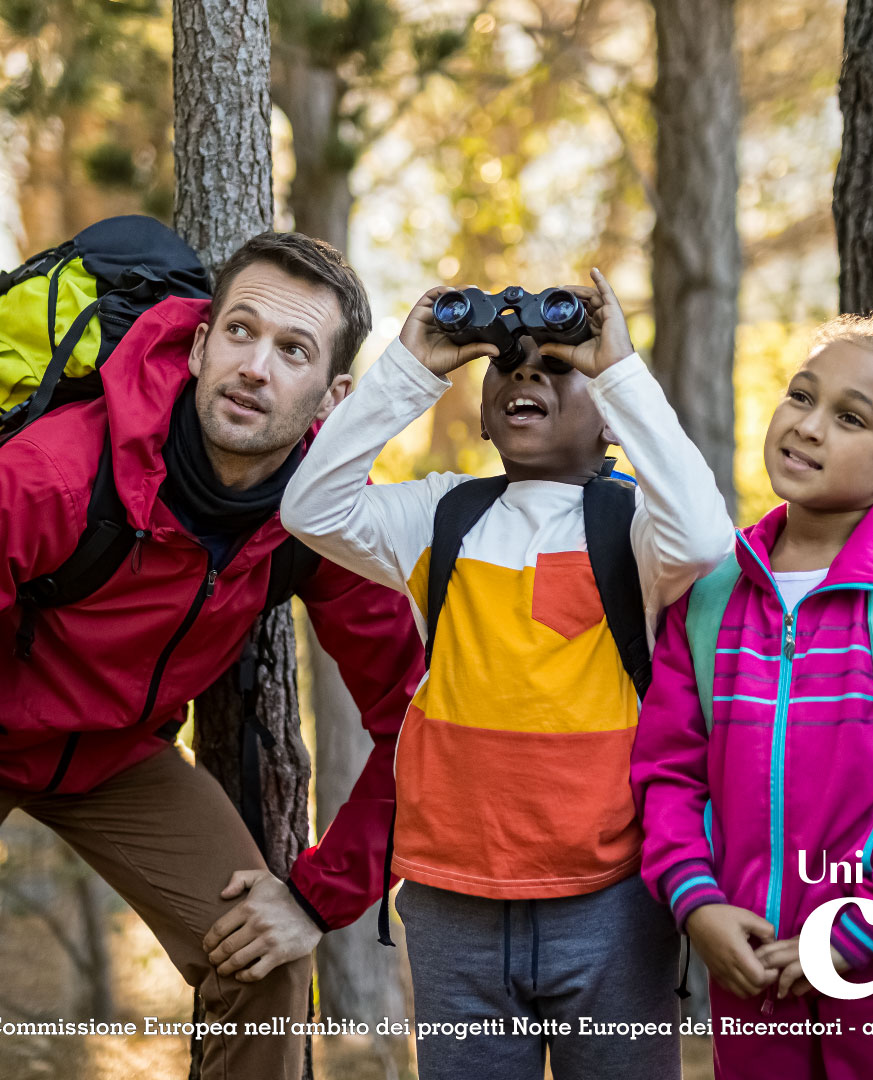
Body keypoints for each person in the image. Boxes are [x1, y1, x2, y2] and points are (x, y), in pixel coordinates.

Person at [0, 232, 423, 1080]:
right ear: (199, 344)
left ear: (333, 396)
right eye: (240, 331)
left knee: (268, 965)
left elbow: (423, 721)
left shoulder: (326, 519)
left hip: (116, 761)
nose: (255, 367)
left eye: (292, 349)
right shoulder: (51, 476)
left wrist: (318, 896)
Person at [279, 270, 730, 1080]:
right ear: (484, 412)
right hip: (453, 904)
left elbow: (703, 537)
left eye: (561, 367)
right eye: (510, 363)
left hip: (611, 897)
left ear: (611, 424)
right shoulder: (440, 515)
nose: (528, 371)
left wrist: (617, 367)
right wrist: (411, 368)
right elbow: (310, 508)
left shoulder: (633, 526)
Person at [632, 310, 873, 1080]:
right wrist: (697, 904)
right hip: (751, 962)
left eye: (849, 417)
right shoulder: (709, 595)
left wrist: (853, 931)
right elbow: (667, 771)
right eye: (801, 396)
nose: (808, 427)